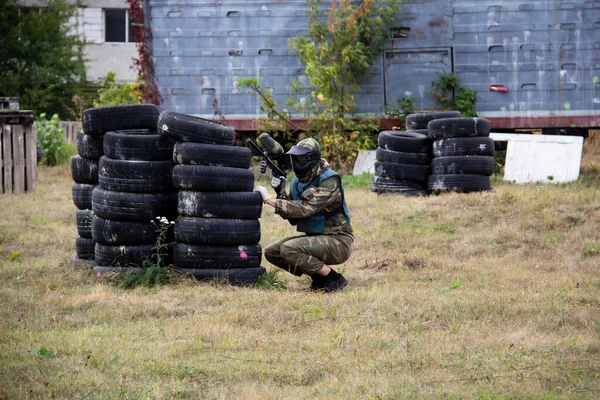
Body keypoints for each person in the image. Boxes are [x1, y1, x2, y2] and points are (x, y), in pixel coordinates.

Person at [253, 138, 353, 292]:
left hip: (338, 240)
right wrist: (280, 193)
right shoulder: (298, 182)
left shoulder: (330, 180)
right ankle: (319, 278)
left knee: (288, 249)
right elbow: (294, 219)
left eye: (301, 158)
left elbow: (305, 208)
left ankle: (333, 279)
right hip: (316, 238)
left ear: (312, 159)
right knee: (272, 252)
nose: (297, 162)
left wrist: (269, 200)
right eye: (295, 158)